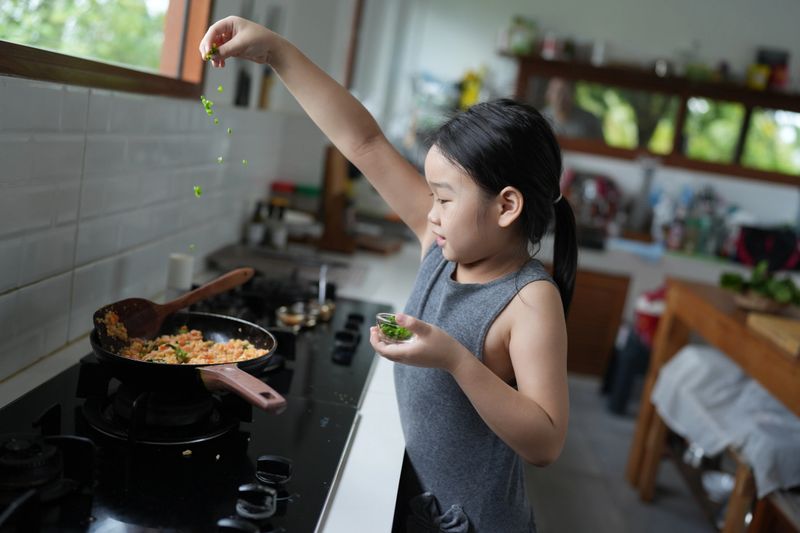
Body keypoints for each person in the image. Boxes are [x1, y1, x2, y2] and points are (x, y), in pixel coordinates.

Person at [200, 16, 576, 532]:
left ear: (506, 205)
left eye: (444, 198)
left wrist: (456, 360)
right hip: (424, 507)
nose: (432, 212)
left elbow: (546, 442)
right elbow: (366, 143)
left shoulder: (531, 301)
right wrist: (276, 53)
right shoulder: (440, 248)